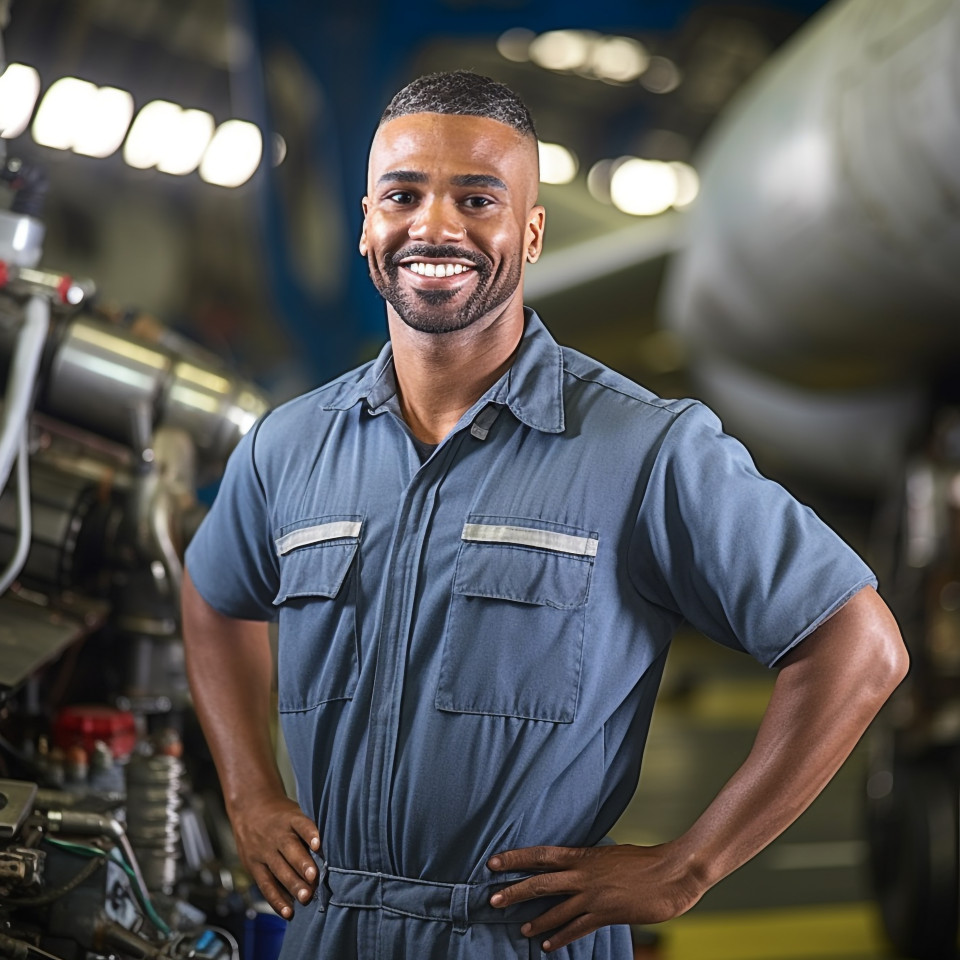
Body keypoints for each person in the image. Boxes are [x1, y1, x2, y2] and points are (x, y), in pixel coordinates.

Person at [181, 71, 908, 959]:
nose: (434, 226)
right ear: (367, 222)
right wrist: (251, 792)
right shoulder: (285, 447)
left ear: (530, 234)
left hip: (521, 937)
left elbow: (857, 644)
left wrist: (687, 867)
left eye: (476, 199)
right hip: (328, 929)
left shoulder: (646, 449)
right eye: (403, 195)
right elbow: (213, 598)